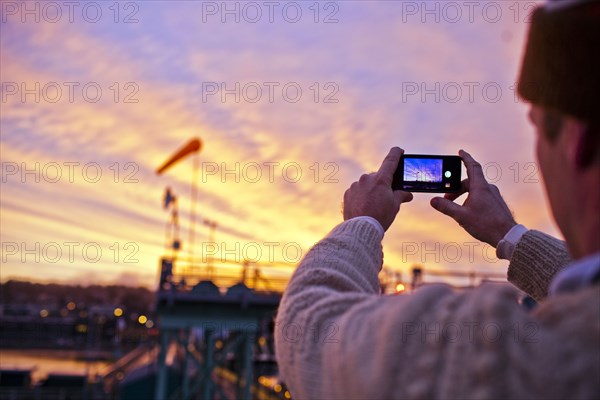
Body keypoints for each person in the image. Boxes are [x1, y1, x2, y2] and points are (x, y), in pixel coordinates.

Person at [274, 1, 599, 398]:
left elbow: (310, 328)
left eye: (534, 124)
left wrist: (361, 224)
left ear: (576, 140)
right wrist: (508, 233)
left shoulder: (505, 359)